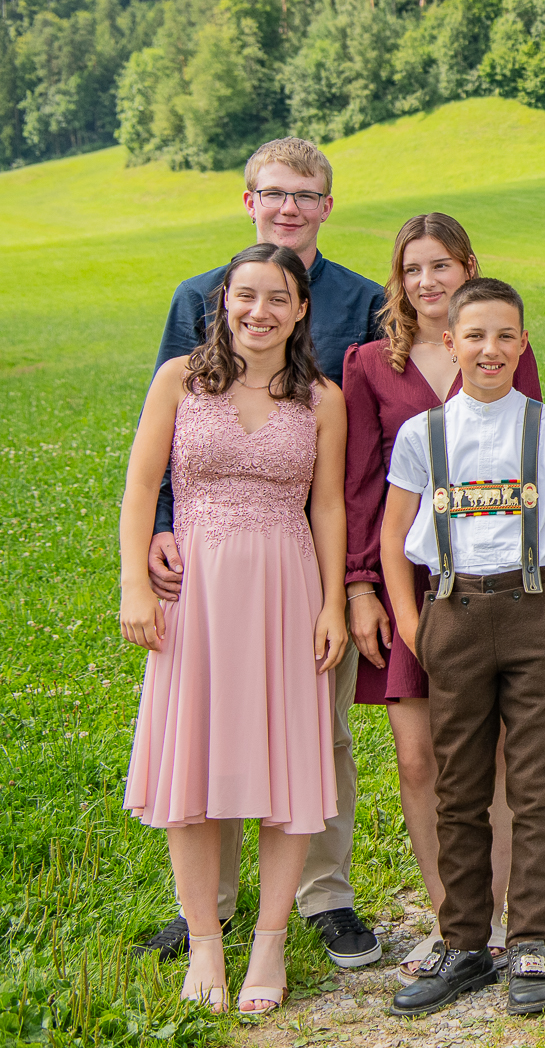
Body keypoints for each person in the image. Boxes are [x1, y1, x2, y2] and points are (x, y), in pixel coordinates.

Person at [136, 137, 385, 969]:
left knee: (316, 733)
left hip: (304, 557)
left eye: (304, 194)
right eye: (274, 192)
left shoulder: (364, 302)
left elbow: (359, 455)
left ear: (326, 206)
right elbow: (170, 437)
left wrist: (350, 583)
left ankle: (323, 895)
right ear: (249, 201)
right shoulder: (199, 296)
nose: (288, 206)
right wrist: (163, 528)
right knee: (206, 727)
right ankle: (206, 908)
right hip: (206, 555)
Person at [118, 245, 350, 1015]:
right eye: (245, 295)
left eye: (278, 297)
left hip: (287, 591)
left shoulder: (322, 398)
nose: (260, 311)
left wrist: (332, 604)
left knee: (287, 768)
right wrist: (135, 586)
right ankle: (206, 944)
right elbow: (140, 487)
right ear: (223, 302)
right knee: (193, 766)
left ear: (301, 308)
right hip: (198, 595)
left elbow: (327, 506)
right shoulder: (179, 381)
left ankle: (271, 944)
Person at [380, 279, 545, 1016]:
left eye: (506, 335)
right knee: (460, 787)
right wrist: (414, 626)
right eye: (475, 335)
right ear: (450, 343)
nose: (490, 349)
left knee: (535, 784)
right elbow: (393, 535)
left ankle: (532, 938)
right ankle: (466, 941)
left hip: (535, 607)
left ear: (523, 342)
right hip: (455, 611)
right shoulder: (424, 435)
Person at [341, 214, 536, 980]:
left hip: (491, 578)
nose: (427, 281)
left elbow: (531, 464)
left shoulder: (498, 348)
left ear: (468, 268)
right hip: (408, 582)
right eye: (413, 268)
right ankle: (452, 916)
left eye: (442, 266)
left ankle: (502, 915)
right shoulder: (368, 365)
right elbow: (360, 486)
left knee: (494, 752)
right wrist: (363, 586)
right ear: (398, 278)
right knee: (419, 756)